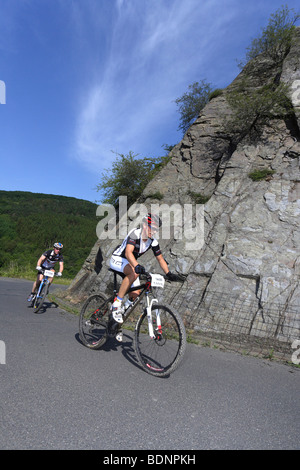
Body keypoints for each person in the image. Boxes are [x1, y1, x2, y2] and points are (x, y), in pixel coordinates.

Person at [109, 213, 183, 341]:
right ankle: (116, 304)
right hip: (118, 259)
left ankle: (117, 320)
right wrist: (136, 265)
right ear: (144, 225)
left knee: (136, 293)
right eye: (151, 228)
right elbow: (128, 252)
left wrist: (168, 273)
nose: (153, 231)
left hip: (130, 264)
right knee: (134, 272)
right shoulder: (135, 234)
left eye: (155, 229)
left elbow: (160, 259)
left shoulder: (153, 242)